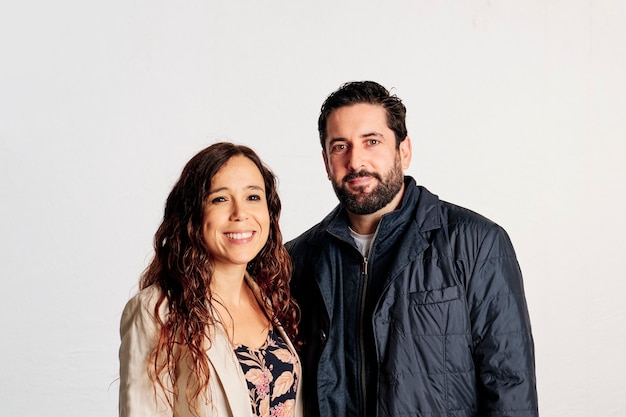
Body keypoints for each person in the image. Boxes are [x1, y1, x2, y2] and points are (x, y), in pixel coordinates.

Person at [286, 81, 538, 417]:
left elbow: (510, 386)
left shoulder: (476, 243)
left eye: (371, 141)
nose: (356, 160)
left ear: (403, 150)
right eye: (340, 146)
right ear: (325, 161)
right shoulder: (298, 259)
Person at [119, 142, 303, 417]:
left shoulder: (273, 298)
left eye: (253, 197)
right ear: (193, 213)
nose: (240, 213)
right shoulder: (156, 311)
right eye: (220, 199)